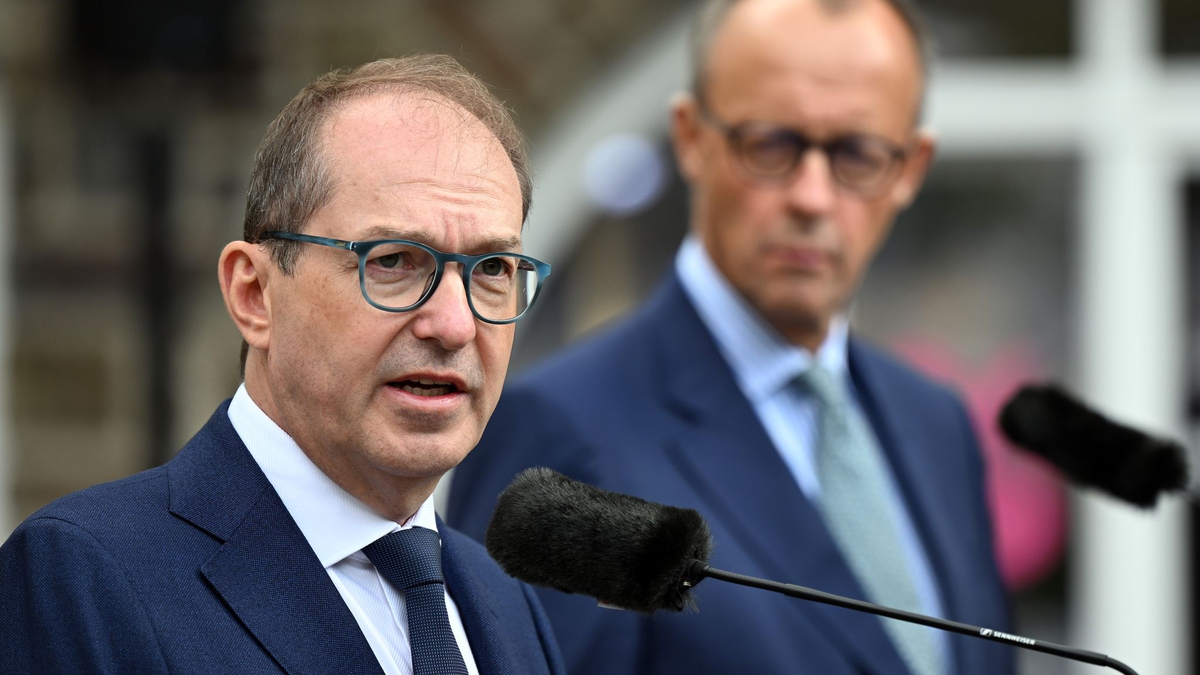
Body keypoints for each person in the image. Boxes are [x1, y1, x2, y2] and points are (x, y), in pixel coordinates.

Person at [448, 1, 1014, 674]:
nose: (812, 197)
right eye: (771, 144)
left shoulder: (936, 425)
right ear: (690, 137)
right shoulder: (563, 433)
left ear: (911, 168)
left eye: (857, 153)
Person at [0, 56, 564, 675]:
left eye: (492, 269)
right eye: (393, 261)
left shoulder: (508, 606)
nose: (455, 325)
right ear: (254, 295)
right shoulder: (87, 578)